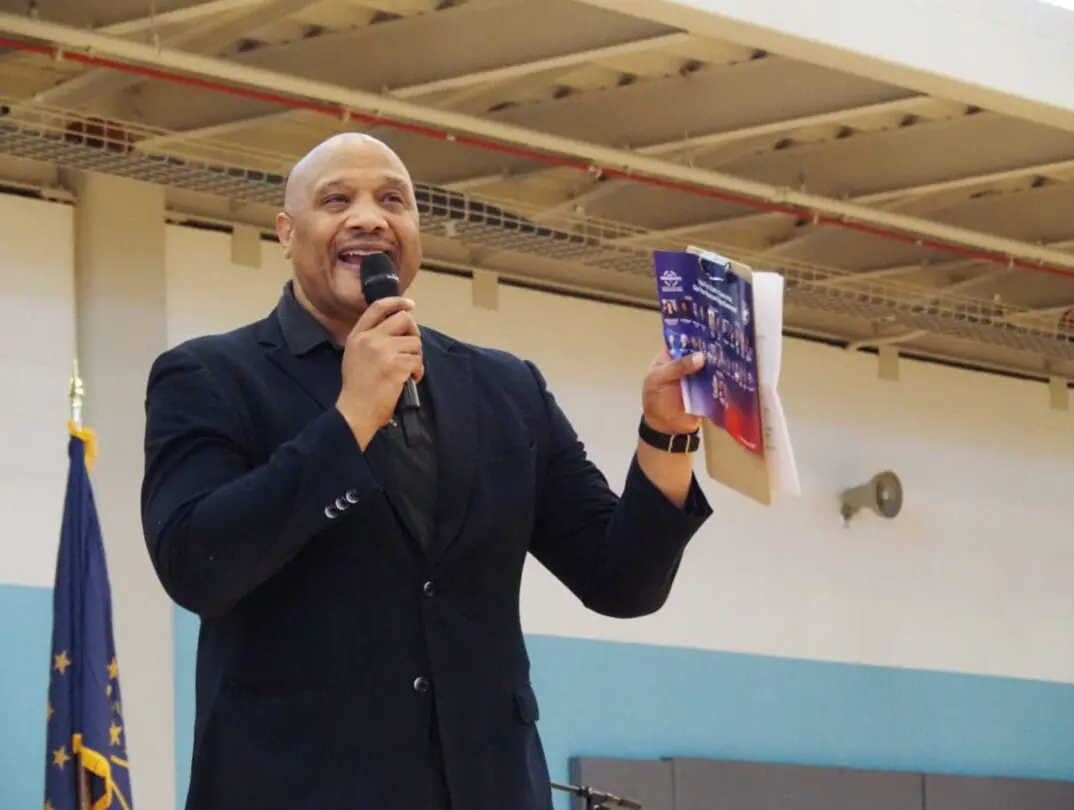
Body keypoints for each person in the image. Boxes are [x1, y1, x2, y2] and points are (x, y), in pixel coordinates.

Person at [141, 133, 713, 810]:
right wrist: (351, 418)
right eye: (336, 200)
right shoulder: (210, 376)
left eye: (392, 200)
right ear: (287, 234)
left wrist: (665, 437)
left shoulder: (507, 388)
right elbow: (196, 565)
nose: (369, 217)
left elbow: (622, 582)